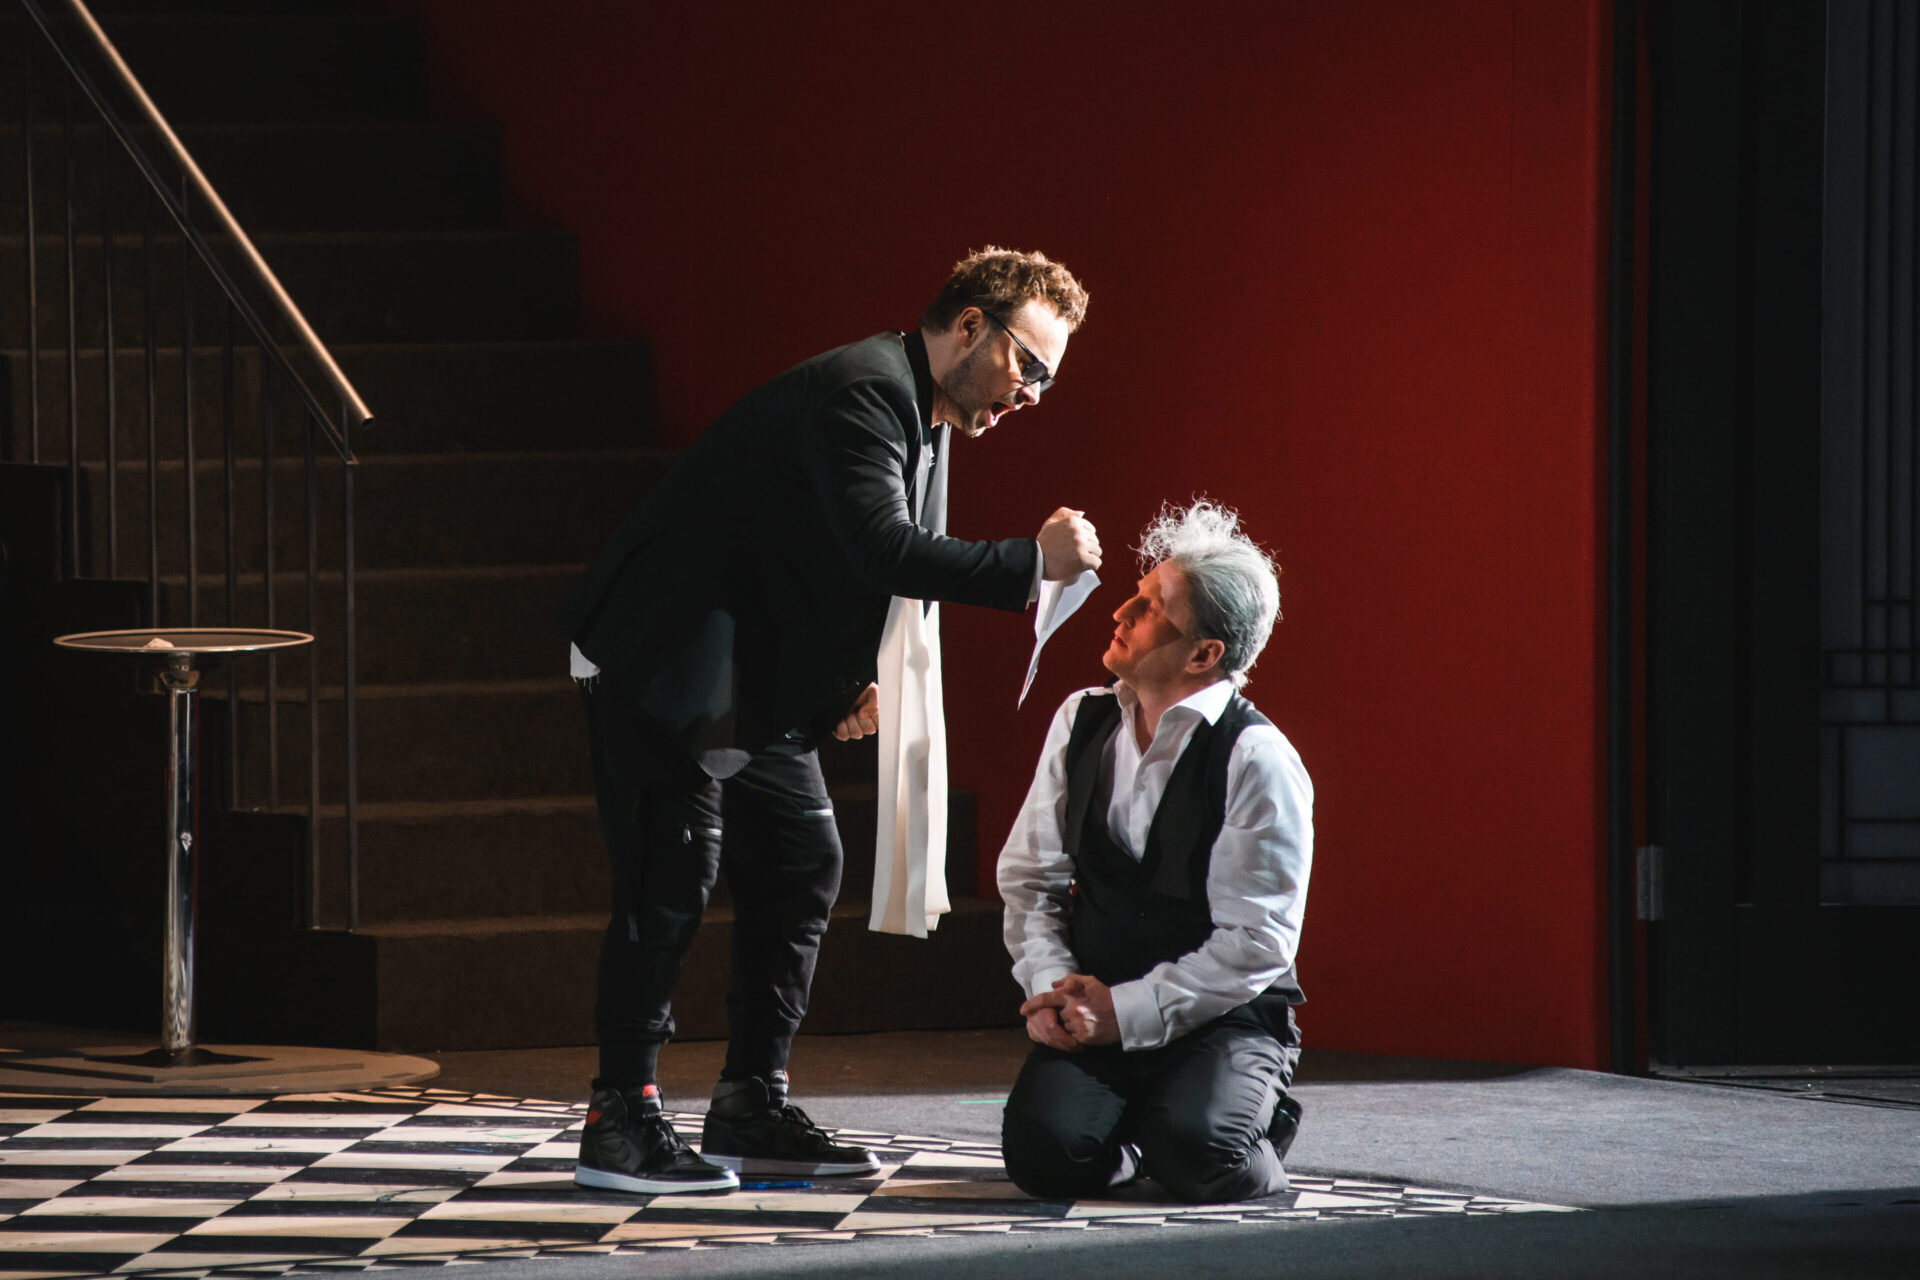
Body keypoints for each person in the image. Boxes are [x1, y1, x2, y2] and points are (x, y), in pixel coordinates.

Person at [556, 248, 1101, 1194]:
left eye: (1046, 379)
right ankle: (620, 1118)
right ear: (971, 326)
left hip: (748, 672)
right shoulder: (868, 390)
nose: (1031, 394)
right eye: (1029, 365)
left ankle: (749, 1104)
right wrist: (1031, 562)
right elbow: (883, 546)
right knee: (670, 876)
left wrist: (840, 682)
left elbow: (817, 553)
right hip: (664, 653)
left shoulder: (923, 411)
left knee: (801, 860)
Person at [997, 500, 1312, 1204]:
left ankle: (1240, 1119)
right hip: (1096, 1004)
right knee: (1043, 1156)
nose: (1120, 611)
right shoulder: (1081, 720)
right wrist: (1052, 986)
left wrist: (1129, 1010)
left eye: (1150, 607)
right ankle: (1143, 1134)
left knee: (1201, 1154)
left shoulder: (1256, 757)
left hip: (1222, 1018)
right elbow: (1030, 880)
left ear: (1204, 655)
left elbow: (1257, 942)